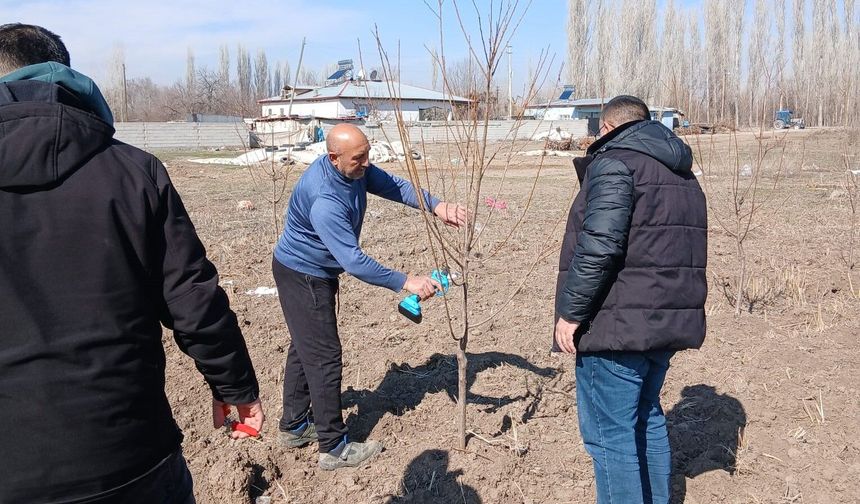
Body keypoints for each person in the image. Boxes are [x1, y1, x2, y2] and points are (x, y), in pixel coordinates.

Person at [0, 24, 264, 503]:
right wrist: (235, 386)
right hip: (128, 456)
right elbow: (193, 300)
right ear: (64, 75)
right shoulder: (133, 172)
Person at [273, 123, 466, 470]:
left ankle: (294, 426)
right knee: (324, 356)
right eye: (359, 158)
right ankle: (333, 447)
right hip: (303, 274)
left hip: (312, 271)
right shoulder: (324, 200)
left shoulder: (355, 169)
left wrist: (437, 206)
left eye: (368, 155)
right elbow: (353, 261)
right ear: (333, 158)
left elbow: (394, 186)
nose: (366, 163)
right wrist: (406, 280)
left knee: (306, 347)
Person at [553, 95, 707, 503]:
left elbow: (600, 246)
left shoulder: (614, 164)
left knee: (609, 437)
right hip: (664, 324)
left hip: (617, 326)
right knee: (646, 418)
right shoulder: (681, 173)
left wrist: (571, 313)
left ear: (606, 128)